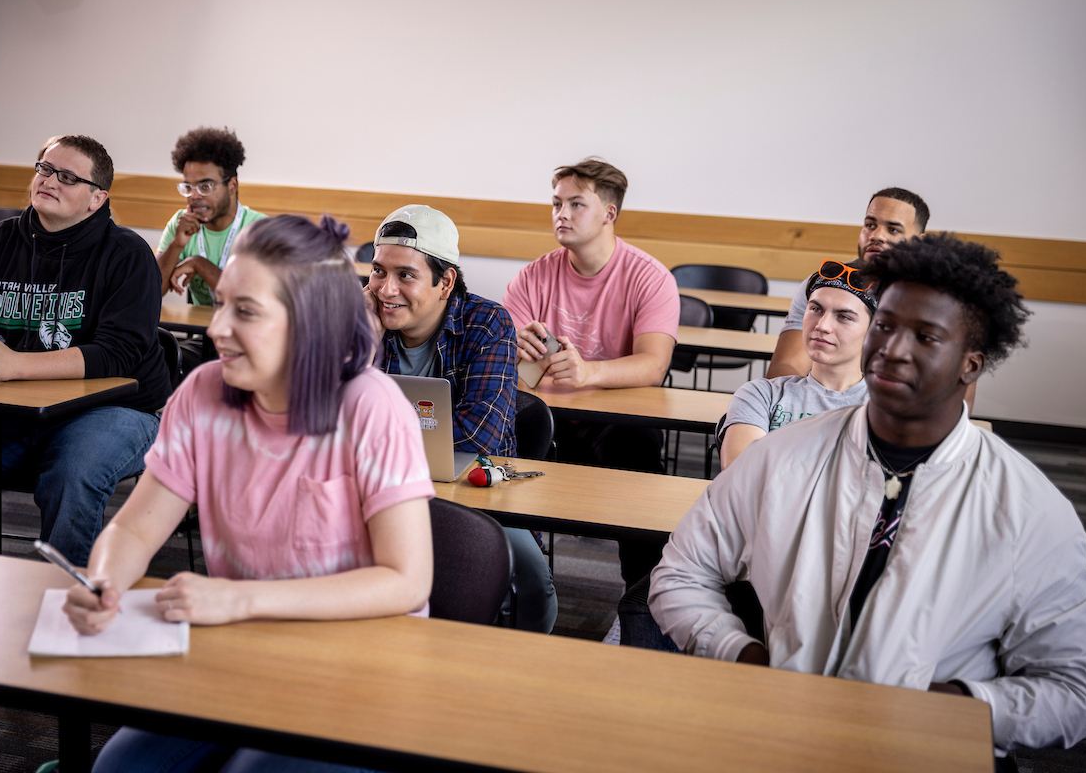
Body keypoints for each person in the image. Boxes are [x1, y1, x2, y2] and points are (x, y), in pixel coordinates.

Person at [650, 233, 1086, 760]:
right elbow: (681, 574)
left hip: (922, 753)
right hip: (782, 736)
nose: (892, 349)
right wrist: (743, 656)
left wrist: (953, 703)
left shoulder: (1026, 507)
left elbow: (1072, 691)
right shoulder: (783, 457)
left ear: (970, 365)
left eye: (926, 336)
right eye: (885, 325)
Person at [68, 214, 436, 772]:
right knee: (119, 769)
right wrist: (105, 581)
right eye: (220, 305)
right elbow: (136, 526)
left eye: (246, 312)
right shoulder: (202, 393)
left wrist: (240, 601)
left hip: (360, 665)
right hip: (242, 650)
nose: (217, 330)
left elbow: (406, 582)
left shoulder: (371, 406)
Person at [0, 135, 171, 580]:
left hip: (112, 408)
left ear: (96, 198)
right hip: (10, 406)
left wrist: (14, 365)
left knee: (73, 471)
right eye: (44, 169)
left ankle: (65, 606)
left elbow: (120, 353)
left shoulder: (128, 254)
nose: (49, 180)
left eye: (67, 176)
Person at [365, 204, 557, 633]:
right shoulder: (360, 322)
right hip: (379, 487)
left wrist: (376, 437)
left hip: (479, 490)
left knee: (530, 581)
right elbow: (324, 422)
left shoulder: (487, 323)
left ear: (445, 282)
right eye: (378, 271)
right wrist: (360, 346)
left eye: (406, 275)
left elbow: (479, 434)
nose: (385, 289)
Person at [503, 157, 680, 598]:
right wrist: (513, 349)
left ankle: (641, 604)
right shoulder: (533, 275)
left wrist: (588, 372)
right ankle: (514, 586)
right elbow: (504, 361)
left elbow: (653, 365)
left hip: (617, 419)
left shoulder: (650, 277)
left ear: (609, 213)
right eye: (556, 203)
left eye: (575, 204)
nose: (561, 214)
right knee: (499, 459)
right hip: (549, 412)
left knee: (642, 484)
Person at [718, 260, 876, 469]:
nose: (822, 325)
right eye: (816, 309)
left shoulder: (888, 411)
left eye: (844, 317)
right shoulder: (760, 395)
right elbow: (741, 481)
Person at [766, 187, 927, 379]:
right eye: (870, 225)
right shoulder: (825, 284)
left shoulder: (937, 299)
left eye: (893, 229)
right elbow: (786, 367)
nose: (877, 235)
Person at [157, 127, 266, 367]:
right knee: (159, 362)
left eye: (205, 186)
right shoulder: (180, 223)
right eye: (188, 187)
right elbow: (151, 292)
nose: (194, 196)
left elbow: (244, 302)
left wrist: (198, 263)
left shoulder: (260, 230)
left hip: (253, 342)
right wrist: (177, 244)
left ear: (232, 185)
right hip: (206, 340)